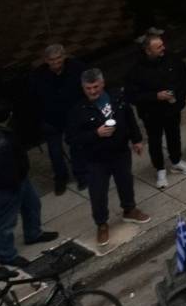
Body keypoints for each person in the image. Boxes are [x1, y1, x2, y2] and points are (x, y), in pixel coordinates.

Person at [64, 67, 150, 246]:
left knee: (125, 182)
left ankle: (129, 210)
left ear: (102, 83)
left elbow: (129, 117)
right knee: (98, 193)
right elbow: (72, 139)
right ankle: (101, 224)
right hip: (96, 158)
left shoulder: (116, 97)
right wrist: (96, 133)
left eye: (95, 87)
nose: (92, 91)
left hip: (120, 151)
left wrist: (136, 139)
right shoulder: (77, 109)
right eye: (88, 88)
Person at [0, 103, 55, 269]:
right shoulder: (1, 140)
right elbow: (4, 168)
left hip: (16, 179)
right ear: (9, 115)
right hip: (9, 185)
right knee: (6, 221)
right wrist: (14, 183)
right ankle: (6, 255)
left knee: (32, 204)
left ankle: (33, 233)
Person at [126, 33, 186, 189]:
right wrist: (155, 96)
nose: (163, 48)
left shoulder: (172, 59)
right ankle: (160, 169)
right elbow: (132, 95)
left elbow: (183, 78)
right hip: (152, 113)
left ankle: (176, 161)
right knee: (155, 141)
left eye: (162, 45)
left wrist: (180, 96)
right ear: (148, 51)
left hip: (172, 108)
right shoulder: (136, 71)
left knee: (174, 135)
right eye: (158, 47)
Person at [27, 44, 84, 194]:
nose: (56, 62)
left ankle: (81, 175)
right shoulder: (38, 76)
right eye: (52, 60)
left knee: (76, 147)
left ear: (64, 57)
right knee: (55, 151)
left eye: (59, 58)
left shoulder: (76, 68)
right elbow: (33, 99)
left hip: (72, 115)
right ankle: (61, 178)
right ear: (46, 60)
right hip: (51, 119)